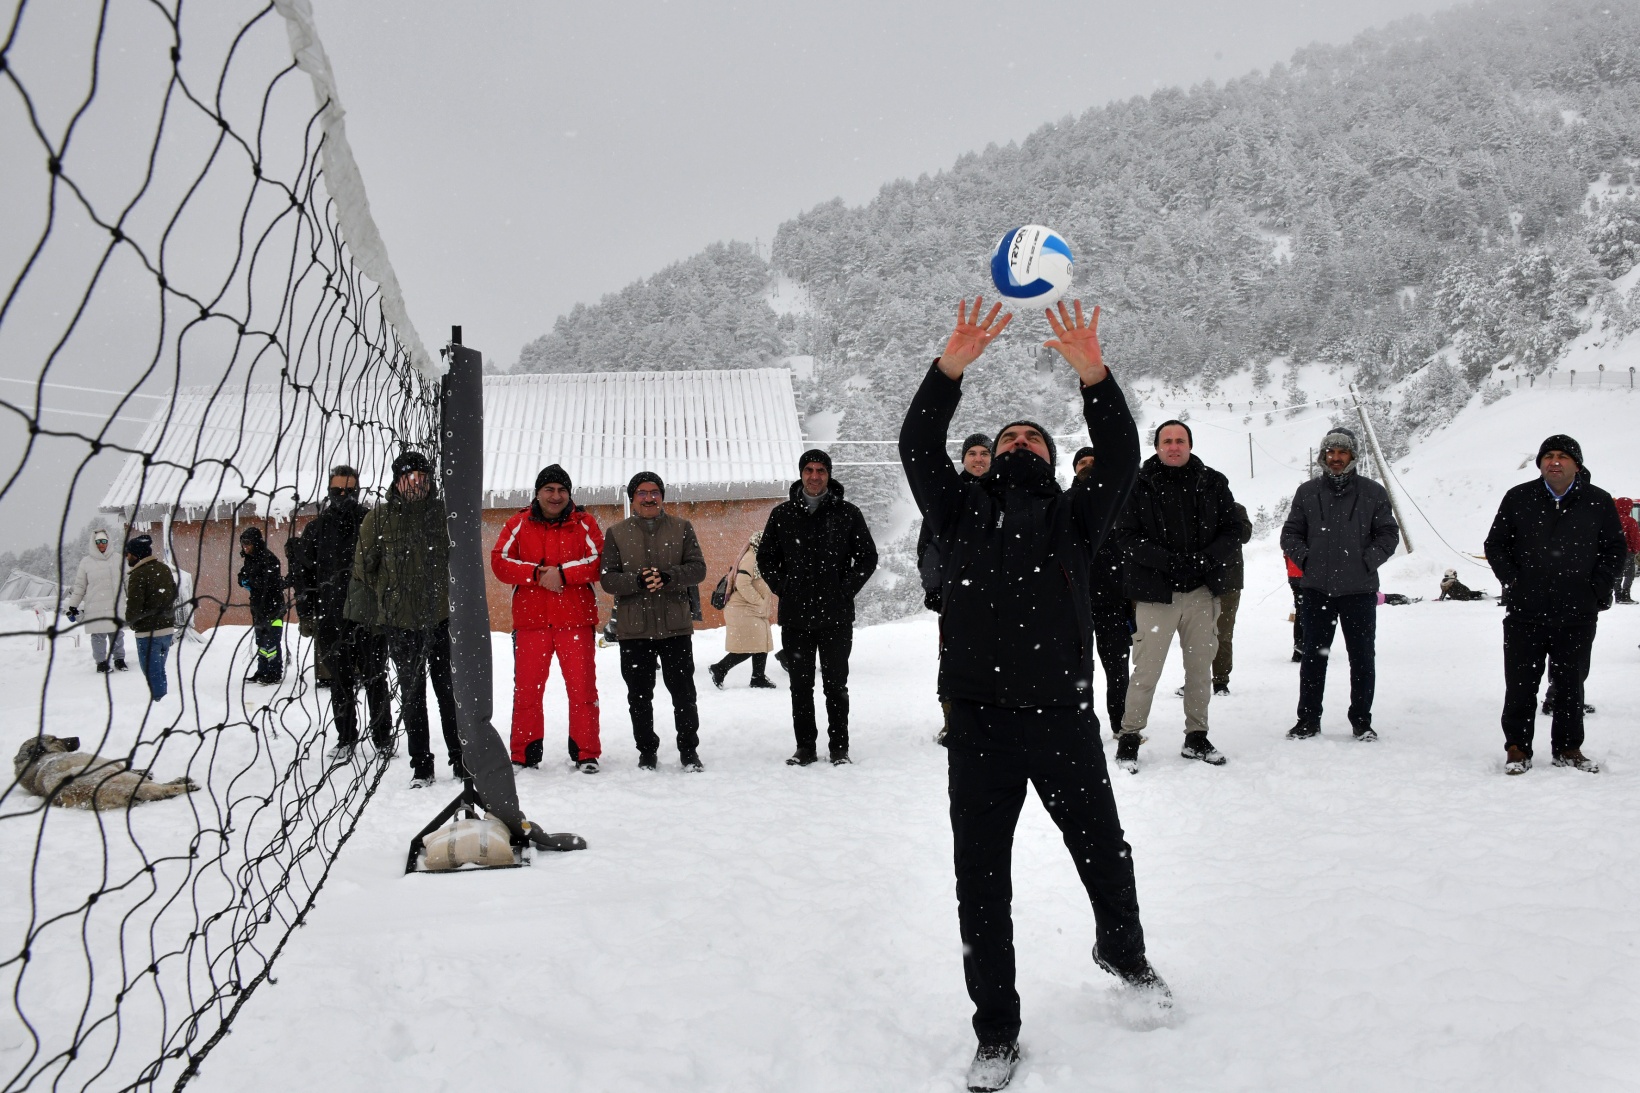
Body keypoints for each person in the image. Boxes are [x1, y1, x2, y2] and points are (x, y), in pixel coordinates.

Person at [900, 296, 1167, 1093]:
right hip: (978, 727)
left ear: (1051, 460)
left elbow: (1120, 453)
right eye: (1009, 437)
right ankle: (996, 1030)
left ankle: (1124, 952)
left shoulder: (1076, 517)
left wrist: (1095, 377)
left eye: (1033, 439)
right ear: (991, 456)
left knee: (1104, 850)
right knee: (981, 880)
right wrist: (950, 368)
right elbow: (918, 444)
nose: (1019, 443)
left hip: (1061, 718)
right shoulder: (957, 510)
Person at [1483, 435, 1624, 775]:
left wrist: (1597, 589)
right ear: (1541, 464)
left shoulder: (1598, 501)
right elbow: (1496, 545)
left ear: (1577, 464)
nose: (1555, 461)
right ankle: (1517, 748)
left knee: (1570, 685)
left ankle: (1568, 748)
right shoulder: (1519, 497)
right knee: (1520, 685)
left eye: (1563, 456)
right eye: (1548, 456)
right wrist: (1514, 582)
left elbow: (1615, 550)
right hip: (1526, 612)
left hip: (1577, 612)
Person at [1112, 419, 1243, 771]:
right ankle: (1129, 737)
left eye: (1180, 440)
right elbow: (1126, 536)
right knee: (1146, 671)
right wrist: (1168, 562)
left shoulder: (1213, 482)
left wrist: (1206, 559)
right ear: (1157, 446)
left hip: (1202, 592)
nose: (1173, 446)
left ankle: (1196, 736)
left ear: (1190, 445)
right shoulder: (1137, 484)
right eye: (1167, 440)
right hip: (1156, 594)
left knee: (1199, 670)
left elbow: (1233, 529)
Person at [346, 450, 463, 788]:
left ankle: (460, 760)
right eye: (409, 477)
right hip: (400, 626)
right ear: (397, 482)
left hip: (441, 621)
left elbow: (460, 561)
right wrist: (390, 595)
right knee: (413, 697)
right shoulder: (378, 519)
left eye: (422, 477)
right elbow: (363, 568)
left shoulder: (443, 515)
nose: (417, 484)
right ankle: (422, 766)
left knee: (449, 694)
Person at [757, 448, 879, 766]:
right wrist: (782, 586)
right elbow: (765, 557)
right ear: (801, 474)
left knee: (836, 687)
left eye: (820, 470)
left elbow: (868, 557)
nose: (814, 476)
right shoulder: (782, 515)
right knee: (800, 687)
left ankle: (839, 748)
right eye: (809, 470)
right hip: (795, 617)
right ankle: (805, 748)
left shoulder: (848, 514)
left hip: (836, 617)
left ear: (829, 475)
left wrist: (845, 589)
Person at [1281, 427, 1401, 742]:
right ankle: (1308, 720)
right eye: (1330, 452)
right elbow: (1290, 534)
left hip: (1359, 592)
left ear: (1352, 456)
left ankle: (1361, 721)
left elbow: (1388, 534)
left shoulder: (1373, 492)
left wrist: (1366, 561)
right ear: (1323, 456)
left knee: (1362, 658)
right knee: (1313, 658)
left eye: (1342, 452)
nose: (1335, 458)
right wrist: (1307, 560)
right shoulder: (1307, 492)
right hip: (1316, 590)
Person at [490, 464, 605, 773]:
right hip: (532, 623)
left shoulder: (584, 523)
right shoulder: (518, 523)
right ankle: (524, 754)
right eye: (549, 489)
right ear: (538, 493)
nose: (556, 496)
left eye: (562, 490)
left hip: (575, 621)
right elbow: (499, 562)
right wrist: (536, 574)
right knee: (527, 693)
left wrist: (563, 574)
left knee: (583, 691)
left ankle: (586, 753)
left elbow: (599, 561)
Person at [600, 472, 708, 771]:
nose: (649, 498)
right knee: (639, 696)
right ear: (632, 499)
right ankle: (646, 751)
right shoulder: (616, 533)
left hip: (675, 627)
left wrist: (670, 577)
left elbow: (698, 569)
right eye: (642, 493)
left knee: (684, 694)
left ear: (662, 496)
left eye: (654, 492)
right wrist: (635, 581)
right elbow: (607, 579)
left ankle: (689, 750)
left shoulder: (682, 527)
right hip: (633, 629)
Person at [288, 465, 391, 761]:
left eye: (349, 490)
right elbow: (303, 575)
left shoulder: (372, 524)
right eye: (337, 490)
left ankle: (383, 738)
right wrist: (306, 612)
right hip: (331, 618)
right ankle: (345, 738)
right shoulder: (316, 529)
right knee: (340, 681)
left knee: (375, 677)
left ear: (358, 491)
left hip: (369, 618)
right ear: (329, 491)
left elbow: (388, 570)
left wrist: (387, 610)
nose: (343, 496)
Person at [1072, 447, 1133, 735]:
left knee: (1117, 669)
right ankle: (1076, 727)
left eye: (1092, 461)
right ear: (1075, 469)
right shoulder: (1065, 503)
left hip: (1114, 602)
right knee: (1074, 671)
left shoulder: (1121, 501)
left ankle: (1121, 725)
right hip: (1073, 603)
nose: (1087, 465)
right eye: (1081, 462)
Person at [917, 434, 992, 612]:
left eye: (985, 453)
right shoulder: (947, 496)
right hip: (956, 591)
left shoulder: (1004, 494)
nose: (978, 459)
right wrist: (933, 588)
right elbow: (929, 547)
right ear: (963, 459)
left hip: (998, 593)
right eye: (972, 453)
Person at [710, 530, 777, 689]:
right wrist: (759, 601)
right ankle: (719, 668)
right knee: (750, 646)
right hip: (743, 609)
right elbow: (742, 583)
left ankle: (758, 677)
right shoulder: (751, 557)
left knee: (761, 642)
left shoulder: (760, 557)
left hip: (751, 609)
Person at [65, 525, 126, 673]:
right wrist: (72, 606)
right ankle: (101, 663)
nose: (101, 545)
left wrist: (136, 600)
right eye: (98, 542)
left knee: (116, 633)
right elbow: (80, 586)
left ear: (108, 541)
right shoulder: (86, 562)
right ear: (93, 543)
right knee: (98, 634)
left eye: (104, 541)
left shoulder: (118, 559)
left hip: (115, 604)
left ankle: (119, 660)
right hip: (95, 605)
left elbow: (128, 581)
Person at [124, 534, 177, 701]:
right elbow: (174, 594)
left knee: (152, 674)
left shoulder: (138, 575)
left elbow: (134, 606)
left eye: (128, 553)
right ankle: (164, 701)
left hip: (148, 633)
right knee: (159, 671)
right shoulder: (164, 569)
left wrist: (132, 622)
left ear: (136, 555)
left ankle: (160, 704)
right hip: (166, 631)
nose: (126, 557)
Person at [1211, 502, 1254, 695]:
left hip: (1229, 581)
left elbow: (1245, 535)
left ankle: (1220, 680)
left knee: (1223, 633)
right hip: (1199, 581)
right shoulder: (1198, 506)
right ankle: (1195, 679)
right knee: (1195, 636)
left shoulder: (1236, 509)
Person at [237, 527, 286, 685]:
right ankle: (262, 670)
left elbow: (268, 583)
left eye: (247, 543)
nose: (245, 546)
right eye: (243, 543)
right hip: (258, 608)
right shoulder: (250, 559)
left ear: (256, 543)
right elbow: (242, 575)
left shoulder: (269, 559)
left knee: (272, 641)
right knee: (261, 641)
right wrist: (244, 580)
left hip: (274, 608)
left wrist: (250, 581)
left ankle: (274, 672)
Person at [1610, 495, 1640, 603]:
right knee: (1629, 574)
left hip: (1613, 552)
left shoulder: (1610, 519)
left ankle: (1617, 596)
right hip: (1627, 552)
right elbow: (1634, 538)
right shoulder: (1630, 521)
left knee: (1617, 574)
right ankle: (1625, 595)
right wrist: (1636, 550)